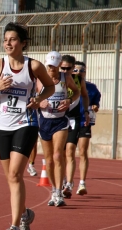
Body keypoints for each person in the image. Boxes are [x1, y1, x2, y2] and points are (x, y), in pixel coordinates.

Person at [0, 22, 55, 230]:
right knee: (12, 179)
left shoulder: (34, 66)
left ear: (22, 43)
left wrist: (38, 99)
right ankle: (25, 214)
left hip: (26, 123)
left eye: (12, 39)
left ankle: (13, 229)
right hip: (2, 126)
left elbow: (49, 87)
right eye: (5, 39)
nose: (7, 43)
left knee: (14, 175)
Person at [36, 51, 80, 207]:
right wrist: (38, 102)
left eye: (54, 66)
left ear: (59, 65)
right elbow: (31, 98)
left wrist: (68, 100)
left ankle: (59, 192)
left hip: (60, 121)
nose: (51, 69)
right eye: (49, 66)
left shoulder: (65, 78)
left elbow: (77, 92)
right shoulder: (39, 79)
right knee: (48, 159)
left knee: (56, 155)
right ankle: (54, 191)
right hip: (44, 121)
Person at [60, 56, 90, 199]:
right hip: (57, 120)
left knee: (70, 150)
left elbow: (84, 95)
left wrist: (85, 111)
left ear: (73, 68)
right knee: (59, 154)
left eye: (69, 68)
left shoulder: (78, 81)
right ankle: (62, 180)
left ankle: (69, 185)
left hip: (73, 119)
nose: (65, 71)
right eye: (63, 68)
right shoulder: (54, 79)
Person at [75, 62, 101, 195]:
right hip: (68, 122)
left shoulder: (92, 87)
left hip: (84, 122)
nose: (79, 72)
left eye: (82, 70)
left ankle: (82, 183)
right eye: (76, 70)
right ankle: (66, 181)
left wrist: (95, 106)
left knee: (83, 151)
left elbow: (96, 103)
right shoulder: (65, 85)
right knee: (66, 153)